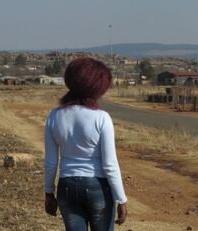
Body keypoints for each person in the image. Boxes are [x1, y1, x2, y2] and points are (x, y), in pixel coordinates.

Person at [44, 57, 128, 231]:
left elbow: (51, 161)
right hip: (97, 186)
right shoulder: (101, 118)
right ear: (97, 86)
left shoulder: (54, 116)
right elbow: (110, 164)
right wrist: (121, 199)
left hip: (67, 186)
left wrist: (48, 193)